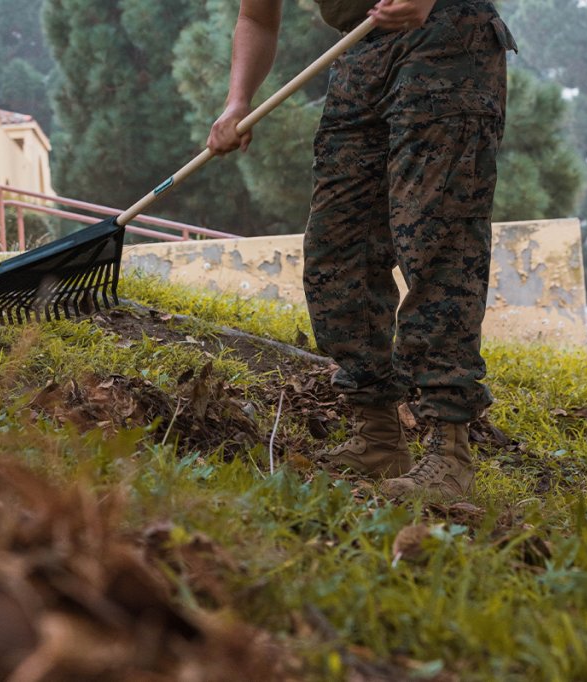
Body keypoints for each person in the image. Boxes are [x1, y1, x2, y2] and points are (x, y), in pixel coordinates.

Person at [207, 0, 516, 500]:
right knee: (338, 248)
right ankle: (378, 434)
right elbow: (256, 18)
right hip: (361, 51)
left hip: (446, 38)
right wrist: (236, 101)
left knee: (435, 242)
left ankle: (449, 451)